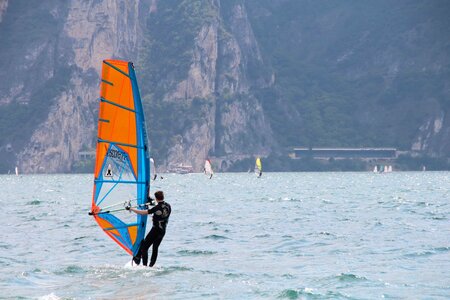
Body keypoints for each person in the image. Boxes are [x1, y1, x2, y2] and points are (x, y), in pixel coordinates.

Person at [126, 190, 171, 267]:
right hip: (163, 231)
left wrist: (131, 209)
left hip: (155, 231)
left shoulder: (156, 208)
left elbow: (143, 212)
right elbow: (159, 211)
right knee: (155, 247)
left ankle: (144, 265)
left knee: (144, 248)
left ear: (156, 198)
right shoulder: (168, 206)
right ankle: (151, 265)